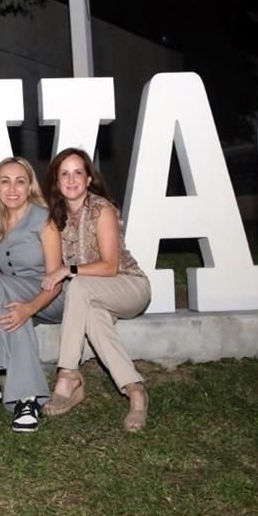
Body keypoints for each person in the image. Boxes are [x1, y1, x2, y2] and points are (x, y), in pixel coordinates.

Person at [41, 148, 152, 432]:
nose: (71, 179)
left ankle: (67, 375)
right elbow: (53, 275)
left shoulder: (101, 209)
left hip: (129, 285)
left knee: (77, 284)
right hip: (91, 295)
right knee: (92, 319)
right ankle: (136, 392)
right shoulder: (53, 221)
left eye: (78, 172)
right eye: (64, 173)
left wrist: (70, 270)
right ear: (56, 180)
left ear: (89, 178)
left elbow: (111, 266)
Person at [0, 157, 65, 433]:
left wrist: (30, 308)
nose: (12, 188)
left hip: (50, 297)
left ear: (30, 186)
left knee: (8, 295)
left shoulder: (45, 219)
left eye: (20, 181)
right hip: (16, 298)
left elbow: (56, 281)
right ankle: (27, 402)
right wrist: (19, 311)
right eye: (5, 181)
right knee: (12, 313)